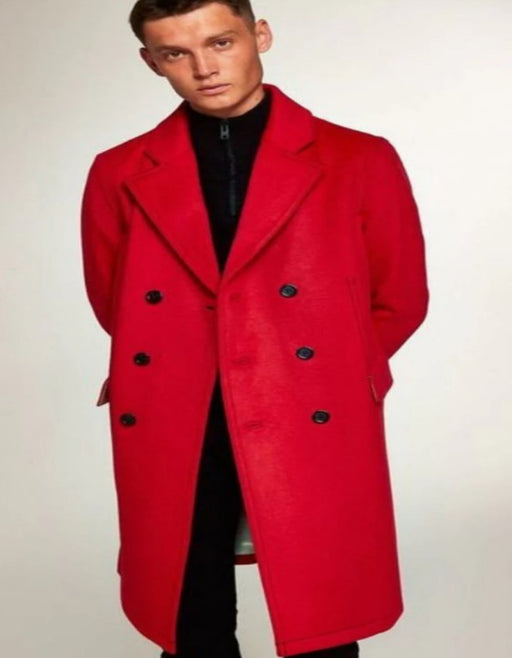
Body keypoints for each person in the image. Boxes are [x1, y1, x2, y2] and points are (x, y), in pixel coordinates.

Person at [80, 1, 429, 657]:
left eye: (220, 42)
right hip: (178, 407)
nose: (204, 68)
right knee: (190, 609)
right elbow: (115, 301)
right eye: (176, 53)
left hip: (309, 403)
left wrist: (326, 371)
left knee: (323, 607)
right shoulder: (118, 171)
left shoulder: (358, 157)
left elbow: (400, 295)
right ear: (151, 62)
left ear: (259, 34)